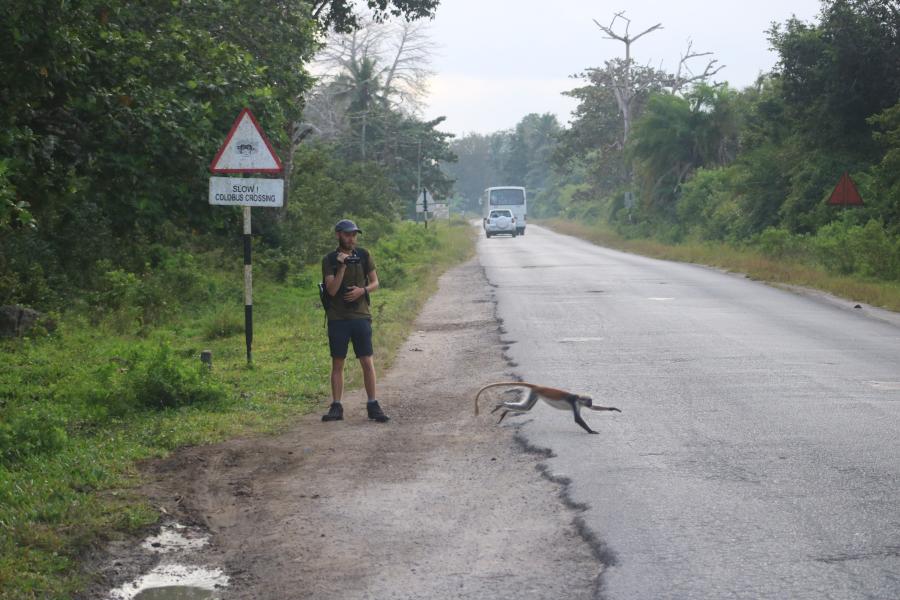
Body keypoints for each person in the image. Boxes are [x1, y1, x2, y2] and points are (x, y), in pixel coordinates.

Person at [320, 219, 389, 423]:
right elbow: (331, 290)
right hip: (338, 318)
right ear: (338, 235)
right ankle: (337, 405)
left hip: (361, 316)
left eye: (354, 234)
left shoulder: (364, 254)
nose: (352, 238)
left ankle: (372, 404)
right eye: (348, 234)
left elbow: (375, 282)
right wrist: (341, 266)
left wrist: (363, 290)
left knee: (367, 360)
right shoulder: (330, 259)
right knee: (338, 362)